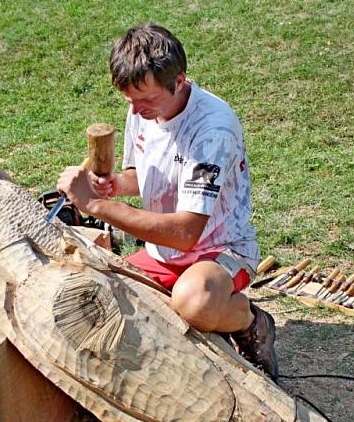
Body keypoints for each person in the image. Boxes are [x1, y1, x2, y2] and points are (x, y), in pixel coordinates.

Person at [56, 24, 277, 380]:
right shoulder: (141, 108)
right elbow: (142, 175)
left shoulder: (211, 131)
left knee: (195, 303)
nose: (137, 109)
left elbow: (187, 233)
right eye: (130, 100)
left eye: (146, 101)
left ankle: (251, 322)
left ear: (179, 81)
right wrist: (111, 186)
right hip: (164, 252)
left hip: (220, 249)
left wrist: (94, 207)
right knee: (107, 294)